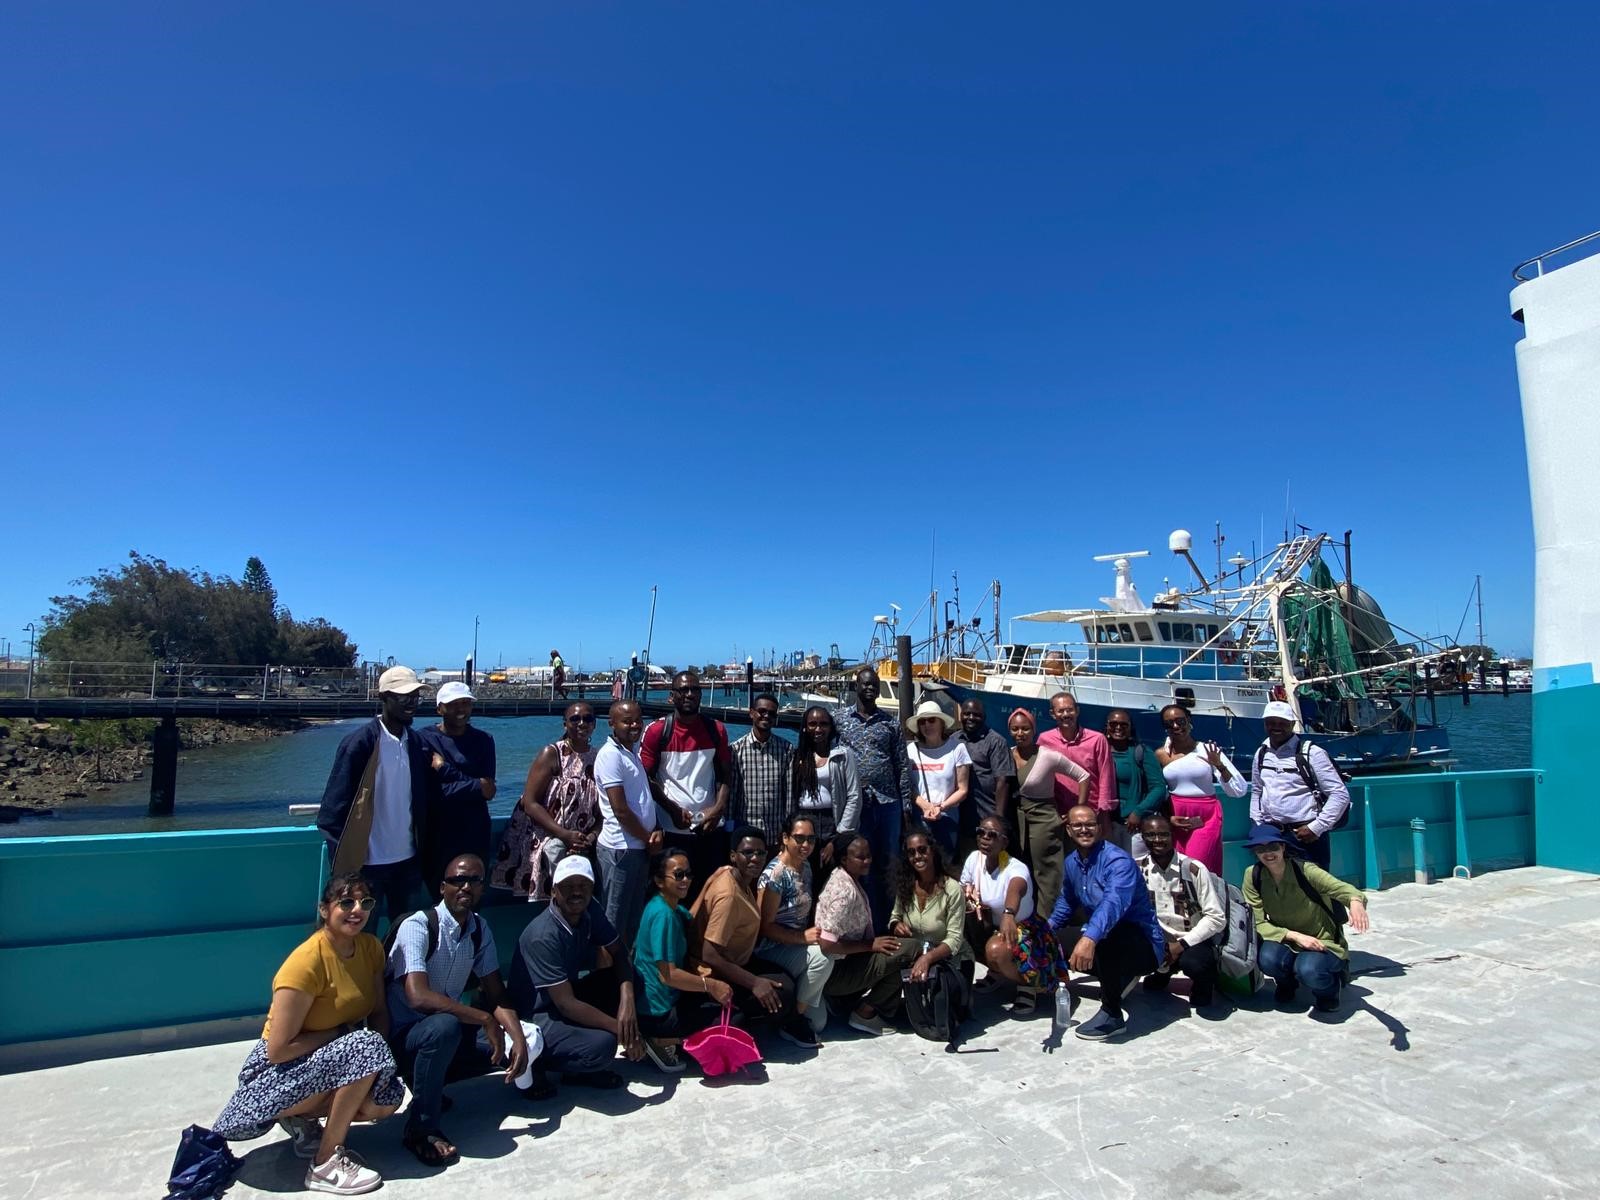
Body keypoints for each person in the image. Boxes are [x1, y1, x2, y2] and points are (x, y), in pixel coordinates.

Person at [212, 872, 403, 1195]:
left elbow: (379, 1012)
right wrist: (341, 1034)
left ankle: (301, 1119)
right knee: (365, 1045)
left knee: (386, 1099)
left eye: (365, 902)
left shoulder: (370, 948)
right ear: (325, 909)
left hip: (329, 1059)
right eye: (346, 902)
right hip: (274, 1073)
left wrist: (377, 1065)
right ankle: (325, 1163)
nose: (357, 910)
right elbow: (277, 1050)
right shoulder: (305, 963)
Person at [384, 854, 540, 1167]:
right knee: (445, 1027)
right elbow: (417, 997)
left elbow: (496, 993)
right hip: (402, 1040)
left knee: (528, 1037)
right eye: (458, 880)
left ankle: (432, 1085)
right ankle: (421, 1129)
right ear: (443, 887)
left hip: (443, 1035)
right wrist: (483, 1018)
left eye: (474, 881)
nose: (465, 887)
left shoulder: (479, 929)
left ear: (482, 888)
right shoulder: (418, 926)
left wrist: (518, 1039)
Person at [507, 855, 644, 1094]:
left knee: (634, 981)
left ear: (592, 889)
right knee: (603, 1046)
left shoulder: (590, 908)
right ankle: (540, 1061)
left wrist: (627, 1002)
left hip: (567, 992)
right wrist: (623, 1031)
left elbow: (619, 952)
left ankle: (576, 1065)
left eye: (583, 885)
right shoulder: (543, 935)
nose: (576, 892)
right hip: (537, 1013)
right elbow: (566, 1005)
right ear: (554, 891)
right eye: (568, 886)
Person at [317, 665, 438, 921]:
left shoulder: (417, 744)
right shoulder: (361, 743)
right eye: (404, 697)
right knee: (360, 935)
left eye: (415, 697)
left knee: (406, 935)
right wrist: (346, 870)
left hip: (408, 863)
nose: (411, 703)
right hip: (366, 868)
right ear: (384, 697)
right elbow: (332, 810)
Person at [1048, 805, 1168, 1041]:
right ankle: (1118, 978)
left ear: (1099, 828)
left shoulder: (1118, 861)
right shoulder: (1072, 862)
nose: (1084, 830)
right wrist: (1044, 931)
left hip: (1143, 946)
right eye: (1078, 825)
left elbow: (1113, 904)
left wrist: (1089, 938)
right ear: (1068, 830)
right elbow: (1066, 902)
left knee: (1105, 938)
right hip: (1105, 936)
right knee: (1052, 941)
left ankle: (1112, 1015)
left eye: (1090, 824)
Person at [1241, 822, 1370, 1012]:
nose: (1268, 853)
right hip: (1285, 938)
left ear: (1283, 847)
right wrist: (1295, 936)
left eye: (1273, 847)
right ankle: (1287, 983)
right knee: (1267, 959)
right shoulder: (1253, 875)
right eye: (1261, 849)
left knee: (1309, 970)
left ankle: (1329, 991)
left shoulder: (1306, 870)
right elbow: (1257, 921)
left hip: (1321, 940)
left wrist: (1355, 901)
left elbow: (1341, 888)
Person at [632, 849, 734, 1073]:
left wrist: (708, 883)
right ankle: (660, 1040)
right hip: (657, 1013)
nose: (685, 880)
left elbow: (690, 918)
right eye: (679, 875)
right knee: (732, 1019)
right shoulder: (663, 915)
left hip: (668, 1000)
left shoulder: (669, 906)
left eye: (688, 874)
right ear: (659, 880)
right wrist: (711, 985)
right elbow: (668, 975)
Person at [492, 702, 604, 903]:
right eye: (575, 719)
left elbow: (602, 809)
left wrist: (591, 836)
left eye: (588, 719)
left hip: (582, 841)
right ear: (565, 724)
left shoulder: (599, 758)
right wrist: (564, 834)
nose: (581, 723)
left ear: (594, 724)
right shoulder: (552, 754)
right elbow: (530, 802)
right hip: (549, 835)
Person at [597, 699, 684, 946]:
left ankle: (627, 966)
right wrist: (648, 839)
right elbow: (621, 810)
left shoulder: (631, 753)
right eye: (627, 721)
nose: (634, 725)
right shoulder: (610, 756)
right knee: (613, 921)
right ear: (612, 723)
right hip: (621, 849)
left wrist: (654, 830)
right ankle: (609, 970)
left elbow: (642, 797)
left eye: (638, 720)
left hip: (639, 847)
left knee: (632, 919)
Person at [641, 671, 733, 901]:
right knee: (673, 897)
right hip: (672, 831)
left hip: (710, 829)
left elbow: (725, 775)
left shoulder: (716, 730)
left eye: (694, 689)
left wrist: (717, 809)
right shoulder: (657, 731)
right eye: (683, 690)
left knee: (710, 896)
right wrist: (672, 809)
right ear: (672, 696)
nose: (689, 694)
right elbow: (645, 778)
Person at [691, 826, 797, 1025]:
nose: (755, 858)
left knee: (785, 982)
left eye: (760, 853)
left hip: (739, 961)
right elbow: (710, 955)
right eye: (748, 852)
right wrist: (754, 982)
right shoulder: (729, 896)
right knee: (783, 995)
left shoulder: (739, 879)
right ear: (733, 856)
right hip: (717, 973)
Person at [833, 667, 913, 929]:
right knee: (860, 863)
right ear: (856, 686)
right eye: (865, 684)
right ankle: (865, 924)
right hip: (858, 804)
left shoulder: (890, 723)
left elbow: (901, 765)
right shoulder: (840, 719)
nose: (869, 688)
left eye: (874, 685)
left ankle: (890, 921)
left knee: (889, 863)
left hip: (889, 803)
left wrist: (906, 805)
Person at [960, 814, 1063, 1016]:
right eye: (981, 832)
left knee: (996, 950)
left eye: (992, 835)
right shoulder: (974, 859)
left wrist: (1009, 914)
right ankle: (997, 972)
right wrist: (967, 893)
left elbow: (1016, 888)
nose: (984, 838)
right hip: (989, 925)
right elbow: (964, 885)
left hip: (1023, 930)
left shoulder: (1015, 867)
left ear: (1004, 842)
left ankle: (1028, 985)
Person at [753, 814, 833, 1044]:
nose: (805, 845)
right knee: (823, 957)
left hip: (796, 946)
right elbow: (765, 927)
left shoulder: (805, 866)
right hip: (772, 948)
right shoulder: (776, 875)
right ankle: (793, 1018)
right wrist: (802, 938)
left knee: (819, 1023)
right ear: (785, 838)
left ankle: (801, 1002)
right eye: (799, 838)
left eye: (811, 839)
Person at [1135, 813, 1225, 1011]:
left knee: (1196, 964)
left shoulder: (1193, 868)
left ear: (1172, 835)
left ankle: (1203, 984)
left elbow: (1216, 918)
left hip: (1191, 938)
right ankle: (1162, 971)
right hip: (1157, 938)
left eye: (1163, 834)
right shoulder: (1136, 869)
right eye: (1150, 835)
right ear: (1142, 837)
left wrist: (1181, 944)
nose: (1157, 840)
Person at [817, 833, 904, 1035]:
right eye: (860, 857)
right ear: (844, 859)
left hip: (847, 963)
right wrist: (870, 945)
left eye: (869, 856)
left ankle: (844, 1002)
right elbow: (826, 944)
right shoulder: (844, 892)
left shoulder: (847, 878)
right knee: (907, 951)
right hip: (835, 972)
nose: (867, 861)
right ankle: (865, 1014)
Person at [1249, 700, 1352, 870]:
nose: (1276, 727)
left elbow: (1339, 794)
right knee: (1276, 884)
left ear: (1292, 724)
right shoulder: (1261, 753)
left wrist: (1316, 828)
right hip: (1272, 835)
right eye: (1271, 722)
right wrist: (1258, 826)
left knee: (1313, 884)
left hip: (1306, 835)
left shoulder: (1312, 753)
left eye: (1282, 723)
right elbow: (1257, 791)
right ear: (1265, 724)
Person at [1006, 708, 1090, 916]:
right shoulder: (1007, 754)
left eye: (1025, 729)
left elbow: (1083, 776)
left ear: (1034, 730)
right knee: (1021, 870)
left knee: (1048, 874)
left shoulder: (1048, 756)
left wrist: (1077, 810)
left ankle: (1049, 921)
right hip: (1017, 820)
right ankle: (1025, 918)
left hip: (1044, 820)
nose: (1020, 733)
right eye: (1015, 729)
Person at [416, 682, 496, 887]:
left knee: (473, 892)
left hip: (475, 832)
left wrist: (445, 770)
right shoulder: (423, 739)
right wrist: (476, 786)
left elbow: (488, 790)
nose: (461, 709)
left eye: (465, 703)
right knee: (439, 890)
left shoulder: (484, 740)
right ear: (439, 709)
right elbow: (431, 793)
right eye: (453, 704)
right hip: (437, 833)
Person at [1156, 704, 1247, 874]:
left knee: (1197, 867)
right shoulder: (1161, 755)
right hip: (1176, 816)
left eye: (1180, 721)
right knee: (1177, 869)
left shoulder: (1207, 750)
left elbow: (1238, 790)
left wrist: (1219, 765)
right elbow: (1157, 790)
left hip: (1206, 816)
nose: (1175, 726)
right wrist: (1168, 818)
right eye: (1169, 723)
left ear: (1189, 721)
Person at [888, 828, 970, 982]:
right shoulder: (905, 885)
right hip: (916, 957)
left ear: (932, 851)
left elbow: (954, 939)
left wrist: (927, 958)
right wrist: (896, 925)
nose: (917, 856)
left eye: (922, 850)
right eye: (911, 852)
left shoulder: (952, 889)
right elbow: (895, 916)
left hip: (951, 961)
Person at [791, 705, 863, 867]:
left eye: (823, 724)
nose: (818, 729)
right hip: (804, 820)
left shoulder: (843, 755)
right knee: (805, 871)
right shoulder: (797, 756)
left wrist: (840, 835)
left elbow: (854, 796)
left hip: (832, 822)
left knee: (832, 869)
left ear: (831, 727)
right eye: (812, 724)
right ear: (805, 727)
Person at [1037, 693, 1116, 832]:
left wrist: (1104, 813)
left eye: (1070, 710)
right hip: (1058, 814)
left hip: (1091, 814)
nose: (1066, 714)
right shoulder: (1044, 740)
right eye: (1060, 711)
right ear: (1052, 714)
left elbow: (1106, 777)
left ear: (1077, 711)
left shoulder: (1097, 739)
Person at [905, 700, 973, 858]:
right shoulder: (911, 750)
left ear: (941, 723)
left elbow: (963, 789)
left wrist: (940, 807)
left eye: (931, 720)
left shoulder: (957, 748)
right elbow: (908, 786)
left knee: (945, 862)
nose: (927, 725)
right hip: (919, 816)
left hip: (947, 816)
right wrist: (925, 805)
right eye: (922, 722)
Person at [729, 692, 794, 847]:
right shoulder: (736, 750)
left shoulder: (786, 749)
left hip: (775, 834)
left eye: (771, 713)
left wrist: (788, 830)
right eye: (762, 711)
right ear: (752, 713)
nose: (766, 716)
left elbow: (789, 794)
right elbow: (732, 796)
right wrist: (729, 832)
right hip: (746, 836)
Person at [956, 699, 1015, 861]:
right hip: (963, 817)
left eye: (976, 715)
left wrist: (998, 820)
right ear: (961, 715)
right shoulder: (954, 740)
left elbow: (1003, 781)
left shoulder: (996, 741)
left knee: (993, 863)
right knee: (969, 863)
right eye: (967, 714)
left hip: (988, 814)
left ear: (984, 717)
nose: (971, 718)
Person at [1105, 709, 1168, 856]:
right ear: (1107, 726)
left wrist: (1138, 812)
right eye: (1113, 724)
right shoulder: (1100, 751)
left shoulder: (1142, 752)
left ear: (1130, 727)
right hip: (1106, 824)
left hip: (1131, 826)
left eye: (1124, 724)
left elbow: (1158, 788)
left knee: (1134, 866)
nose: (1118, 727)